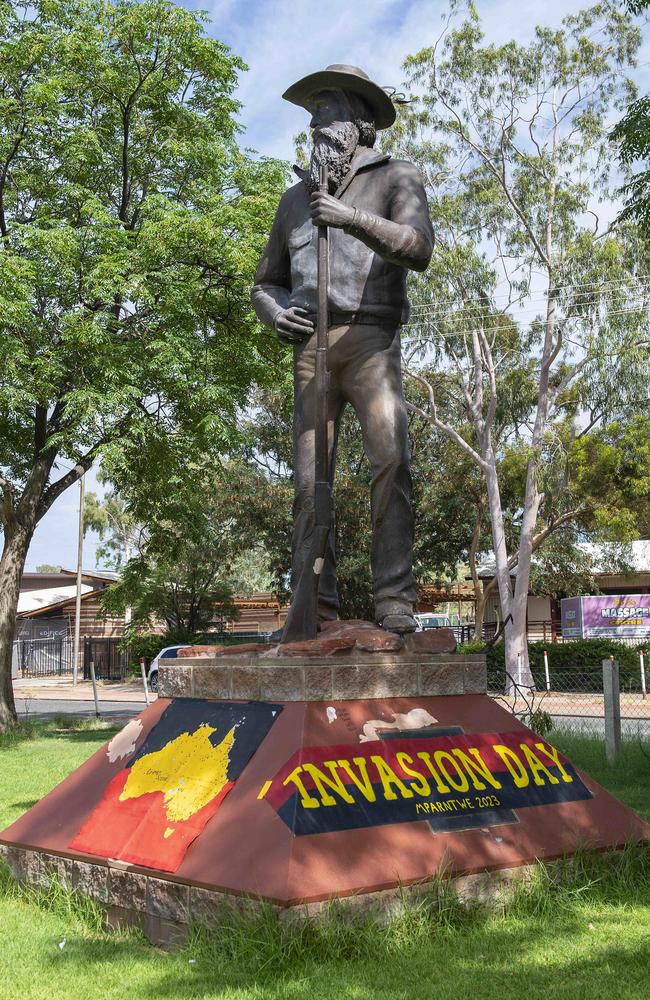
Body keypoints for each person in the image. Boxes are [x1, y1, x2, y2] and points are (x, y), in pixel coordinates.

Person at [251, 64, 434, 634]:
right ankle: (314, 606)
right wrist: (276, 312)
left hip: (371, 342)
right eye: (313, 117)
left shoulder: (396, 178)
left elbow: (419, 248)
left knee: (392, 460)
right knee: (310, 482)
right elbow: (265, 282)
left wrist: (350, 218)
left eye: (327, 111)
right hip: (311, 349)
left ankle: (394, 600)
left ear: (359, 122)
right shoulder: (293, 201)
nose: (318, 125)